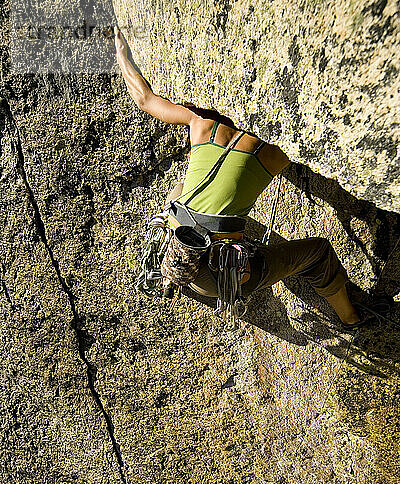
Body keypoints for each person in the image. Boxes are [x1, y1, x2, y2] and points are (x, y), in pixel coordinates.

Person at [114, 27, 389, 330]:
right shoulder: (273, 153)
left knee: (178, 191)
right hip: (228, 278)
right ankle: (351, 319)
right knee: (318, 253)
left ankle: (176, 267)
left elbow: (144, 99)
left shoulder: (199, 125)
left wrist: (122, 53)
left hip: (181, 259)